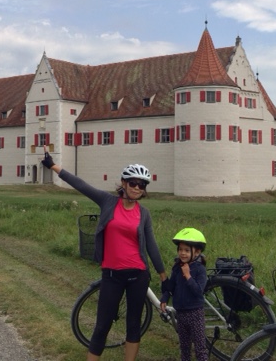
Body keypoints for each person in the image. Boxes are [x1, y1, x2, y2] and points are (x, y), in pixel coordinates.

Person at [40, 147, 166, 361]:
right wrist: (53, 166)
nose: (137, 188)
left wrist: (163, 276)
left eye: (142, 185)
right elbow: (81, 185)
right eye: (133, 183)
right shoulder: (108, 202)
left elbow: (151, 246)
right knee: (102, 326)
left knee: (133, 325)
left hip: (138, 275)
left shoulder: (144, 213)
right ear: (124, 183)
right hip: (112, 275)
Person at [160, 228, 209, 361]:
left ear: (197, 252)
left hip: (195, 313)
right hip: (181, 313)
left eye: (187, 250)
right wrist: (165, 298)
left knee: (200, 348)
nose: (182, 253)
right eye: (180, 249)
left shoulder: (200, 270)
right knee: (184, 347)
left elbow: (198, 291)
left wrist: (188, 276)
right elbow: (171, 286)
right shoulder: (177, 267)